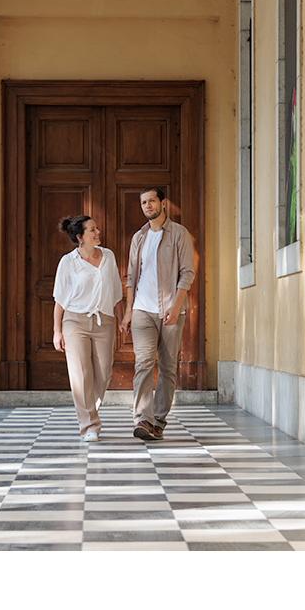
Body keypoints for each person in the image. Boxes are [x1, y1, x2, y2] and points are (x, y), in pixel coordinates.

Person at [121, 186, 195, 443]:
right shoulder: (139, 237)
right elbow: (131, 277)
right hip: (142, 310)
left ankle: (159, 422)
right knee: (142, 364)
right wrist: (129, 311)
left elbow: (187, 273)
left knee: (167, 367)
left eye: (152, 200)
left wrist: (176, 306)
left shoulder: (179, 233)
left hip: (171, 310)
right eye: (143, 202)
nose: (147, 205)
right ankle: (143, 418)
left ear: (163, 203)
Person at [52, 215, 126, 441]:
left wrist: (122, 319)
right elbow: (60, 300)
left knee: (103, 373)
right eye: (92, 230)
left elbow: (115, 292)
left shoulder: (109, 257)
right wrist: (57, 330)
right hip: (75, 322)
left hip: (104, 321)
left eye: (97, 228)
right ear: (80, 237)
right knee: (80, 375)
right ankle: (89, 426)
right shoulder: (68, 262)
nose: (98, 232)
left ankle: (89, 411)